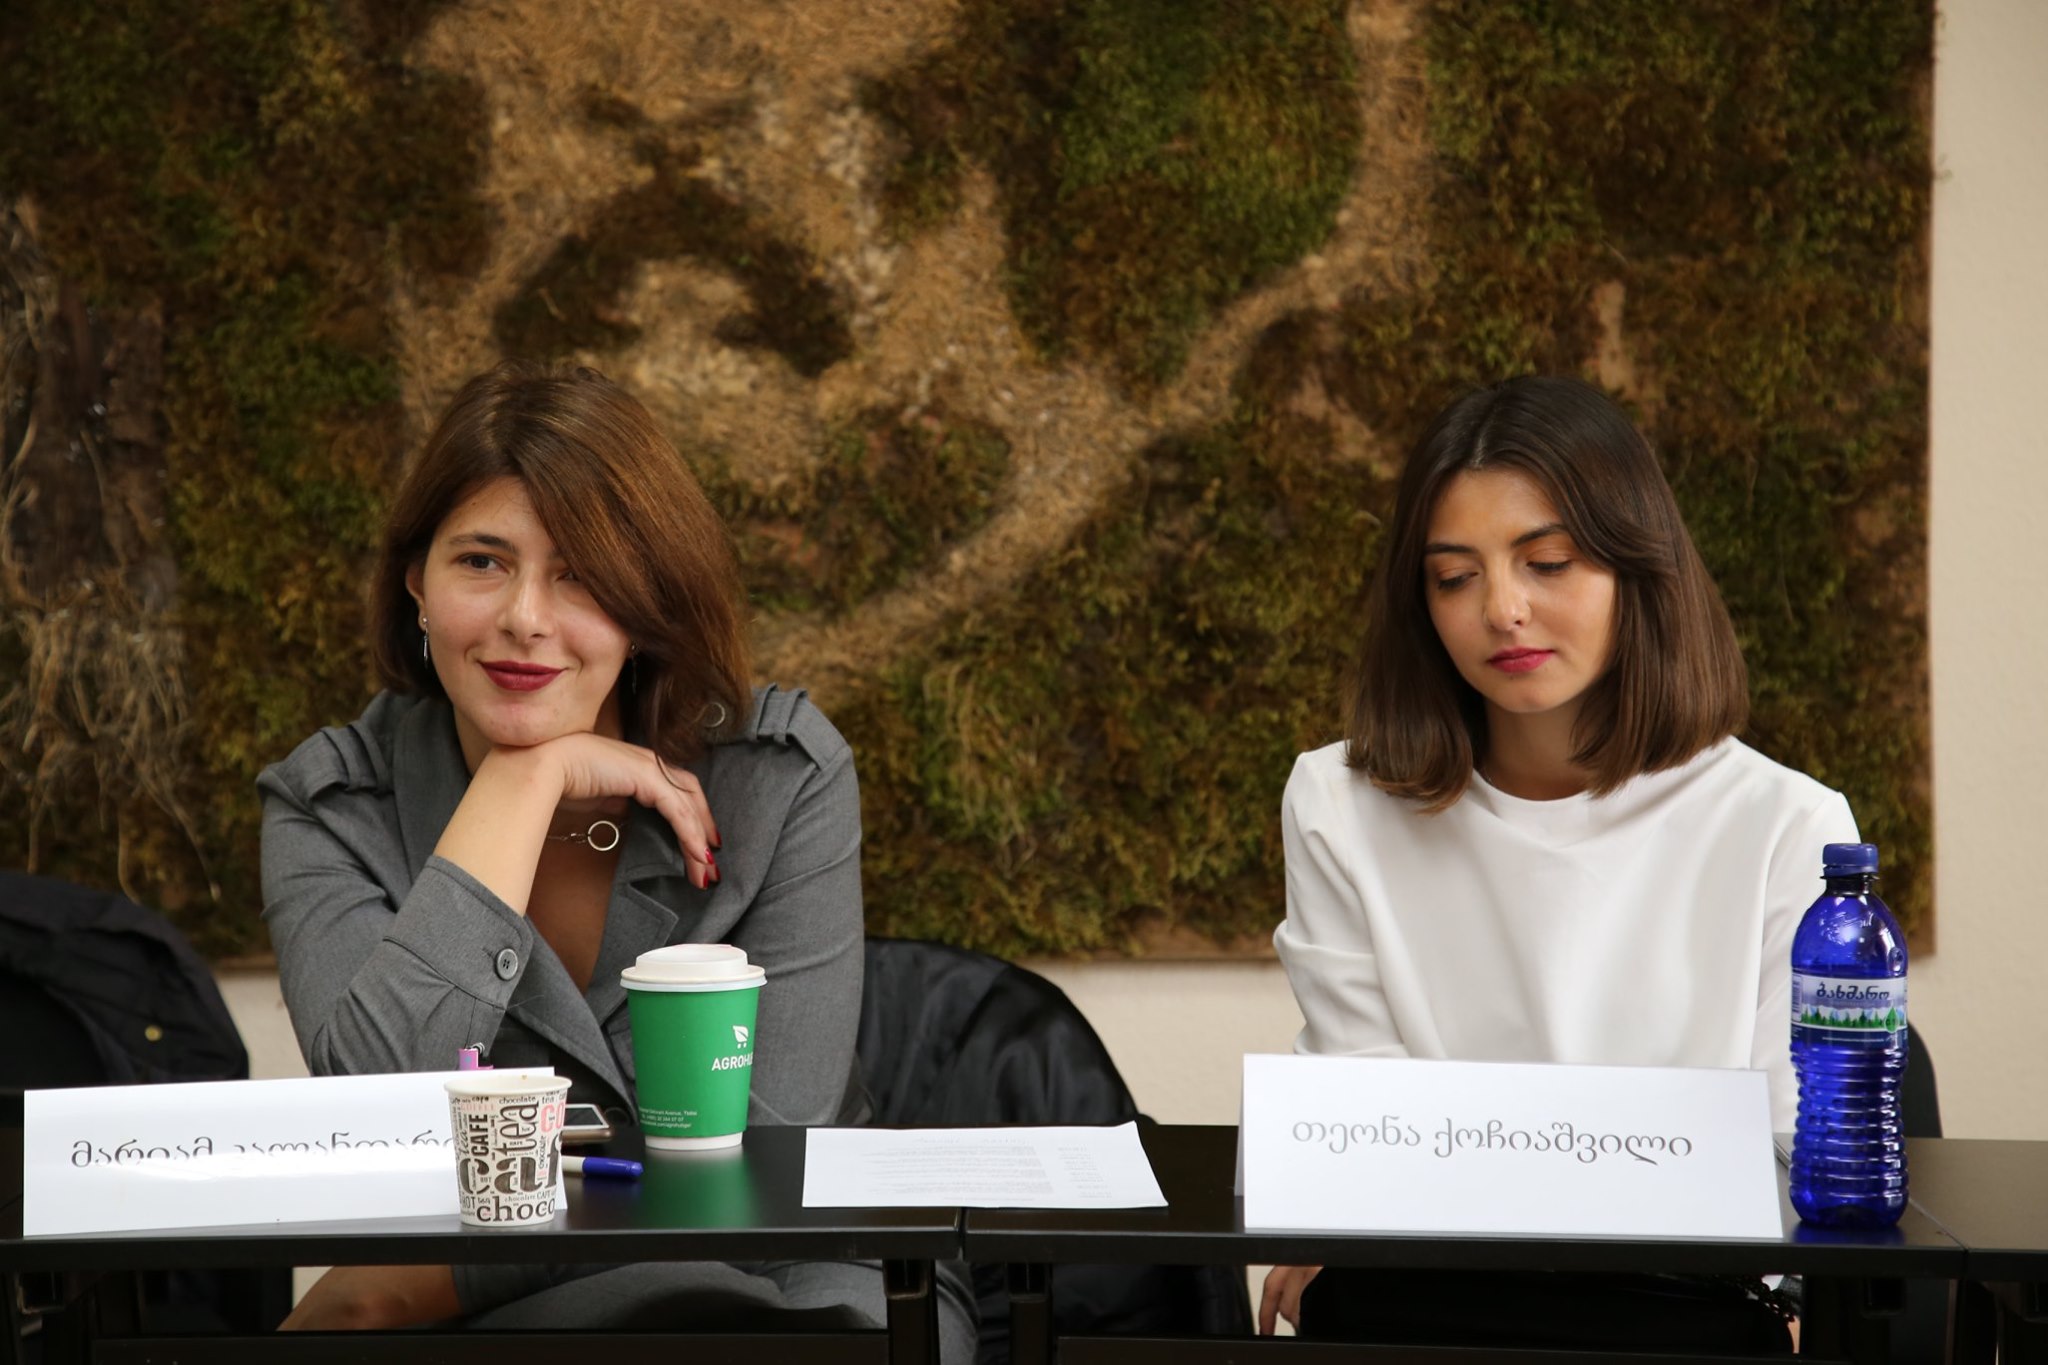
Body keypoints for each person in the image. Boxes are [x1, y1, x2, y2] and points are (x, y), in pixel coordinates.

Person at [258, 361, 976, 1354]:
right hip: (506, 1314)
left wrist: (407, 1287)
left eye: (581, 573)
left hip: (801, 1273)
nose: (525, 617)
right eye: (482, 561)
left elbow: (766, 1163)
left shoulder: (778, 778)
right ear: (416, 582)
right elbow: (382, 1111)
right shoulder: (331, 808)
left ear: (647, 601)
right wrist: (525, 781)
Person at [1258, 376, 1855, 1350]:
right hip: (1431, 1311)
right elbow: (1366, 1123)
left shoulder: (1785, 824)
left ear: (1638, 569)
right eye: (1454, 578)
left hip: (1683, 1314)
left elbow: (1791, 1162)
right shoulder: (1339, 804)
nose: (1502, 609)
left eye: (1546, 563)